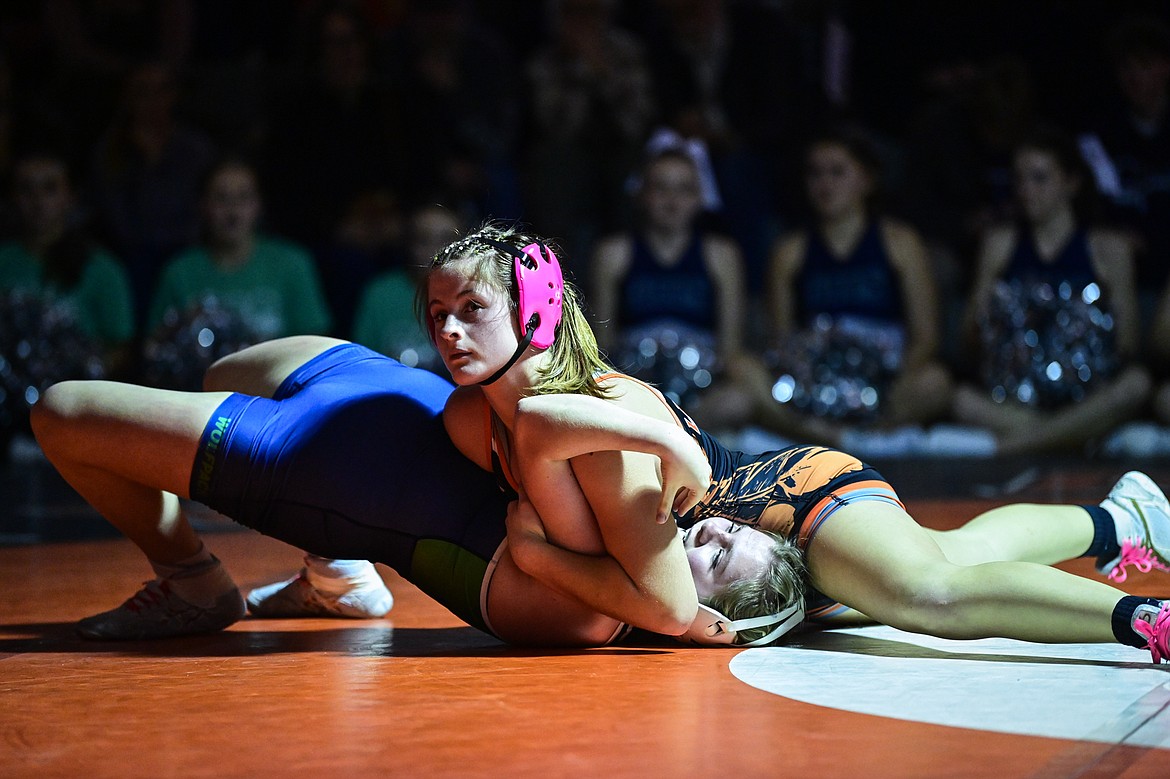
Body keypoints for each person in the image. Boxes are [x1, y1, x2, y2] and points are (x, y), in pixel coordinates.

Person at [735, 127, 955, 453]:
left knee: (936, 382)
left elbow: (925, 336)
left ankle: (851, 436)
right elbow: (781, 338)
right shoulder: (790, 251)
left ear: (867, 180)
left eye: (838, 172)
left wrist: (895, 382)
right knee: (742, 369)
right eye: (816, 173)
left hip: (882, 380)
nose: (825, 184)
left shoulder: (900, 242)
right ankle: (841, 440)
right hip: (816, 384)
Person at [953, 127, 1152, 455]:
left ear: (1072, 183)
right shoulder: (999, 244)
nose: (1026, 190)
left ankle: (1020, 444)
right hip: (1015, 402)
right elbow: (969, 336)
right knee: (960, 400)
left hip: (1086, 397)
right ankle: (1073, 437)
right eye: (1019, 179)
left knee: (1137, 385)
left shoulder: (1109, 248)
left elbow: (1127, 344)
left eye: (1039, 178)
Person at [590, 143, 749, 426]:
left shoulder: (721, 254)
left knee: (740, 398)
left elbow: (730, 349)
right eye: (661, 188)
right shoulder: (614, 254)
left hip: (702, 387)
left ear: (700, 197)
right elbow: (603, 346)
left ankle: (671, 431)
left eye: (684, 190)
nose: (672, 200)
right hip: (637, 384)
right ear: (641, 195)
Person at [146, 157, 332, 345]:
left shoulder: (293, 264)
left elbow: (315, 344)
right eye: (221, 198)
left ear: (258, 205)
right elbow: (156, 345)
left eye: (244, 197)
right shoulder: (180, 271)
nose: (233, 212)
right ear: (203, 205)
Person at [0, 148, 135, 374]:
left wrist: (82, 376)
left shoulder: (102, 269)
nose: (37, 200)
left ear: (71, 197)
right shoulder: (4, 262)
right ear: (13, 197)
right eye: (26, 189)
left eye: (49, 188)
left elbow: (121, 347)